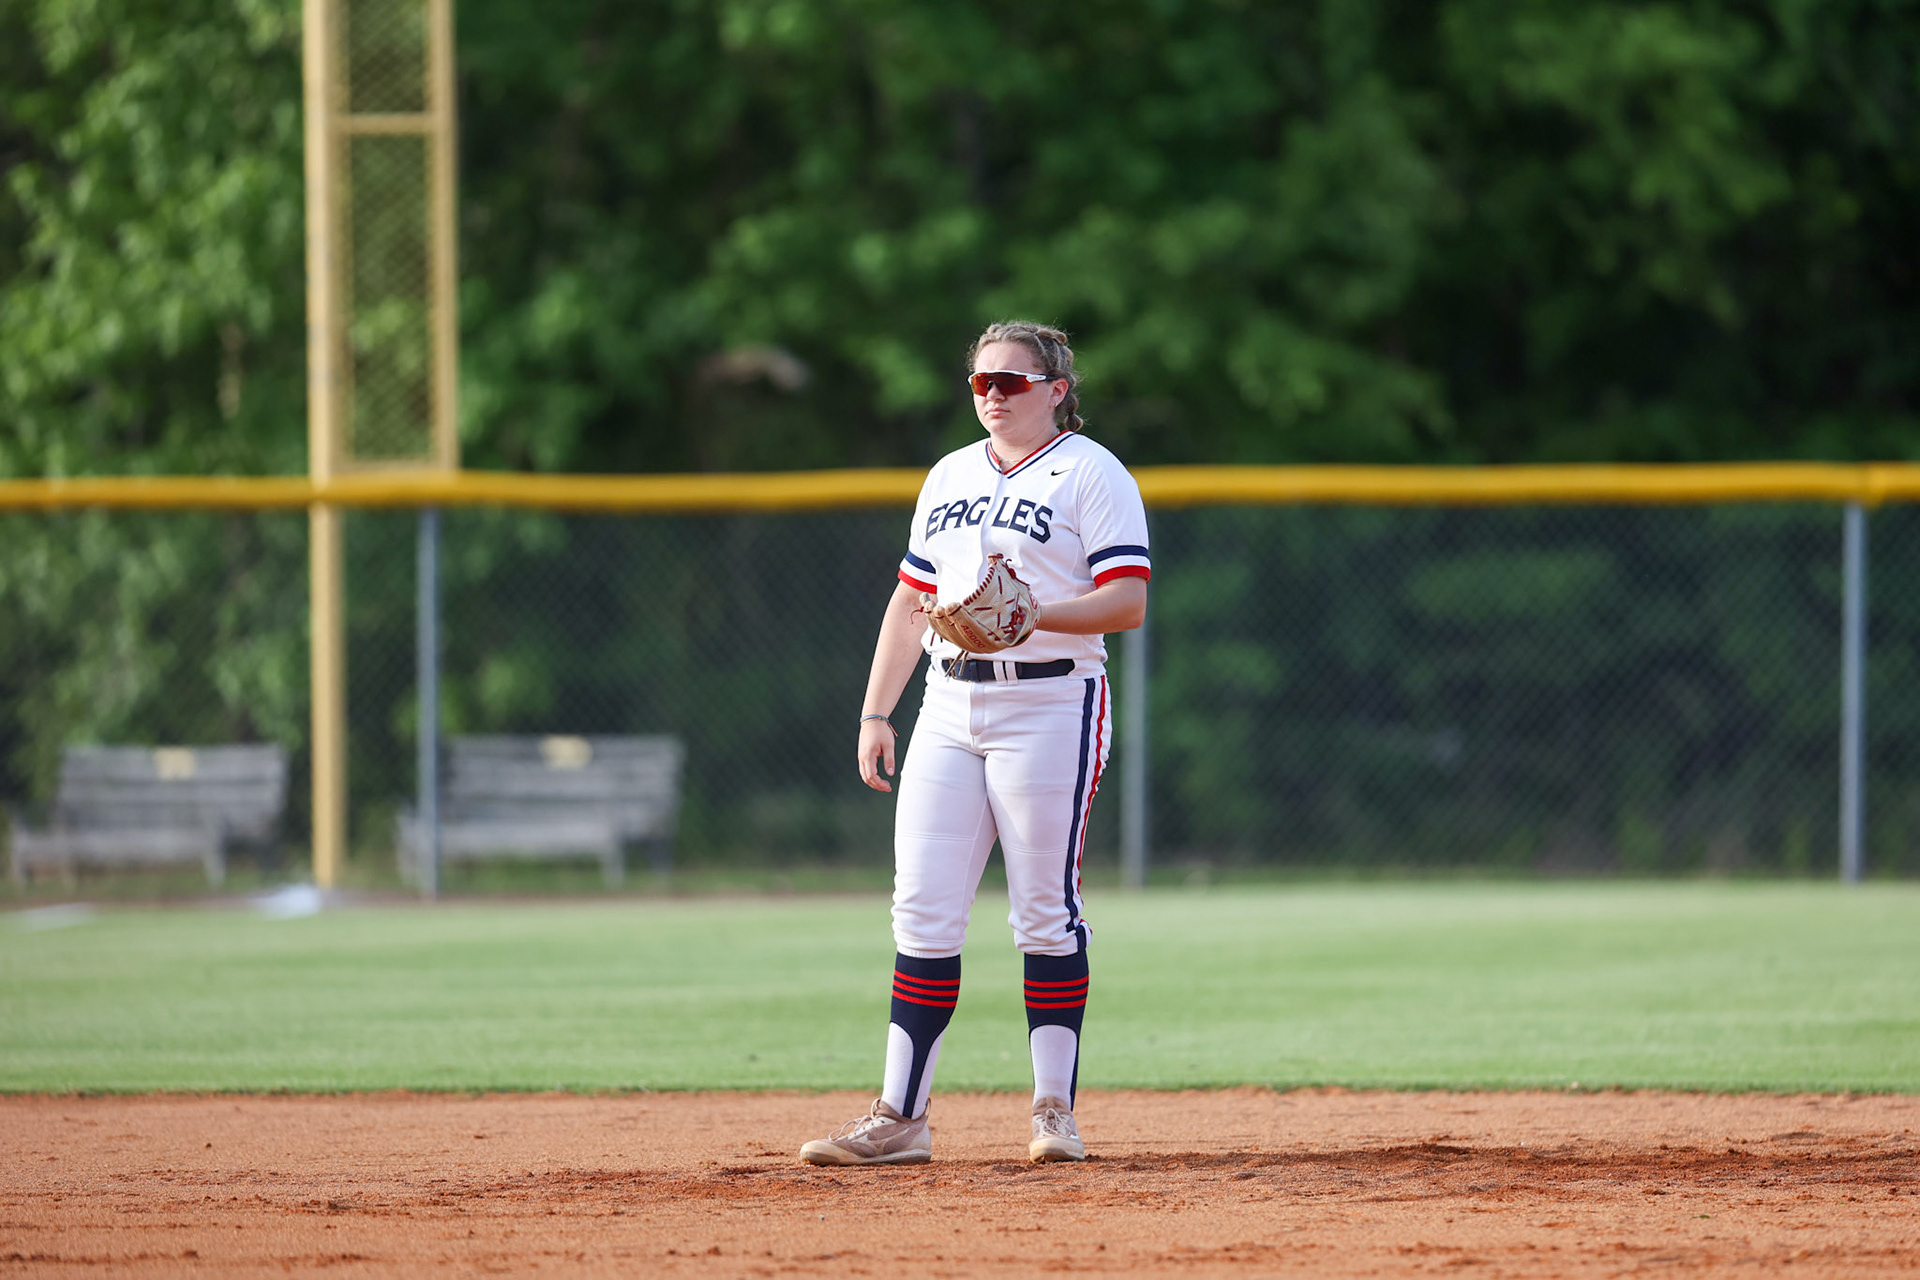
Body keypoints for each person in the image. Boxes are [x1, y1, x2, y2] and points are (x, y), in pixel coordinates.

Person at [799, 321, 1151, 1166]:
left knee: (1042, 909)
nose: (993, 393)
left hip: (1052, 701)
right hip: (947, 702)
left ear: (1056, 390)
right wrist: (876, 713)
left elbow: (1127, 600)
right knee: (920, 910)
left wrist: (1034, 614)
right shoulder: (950, 473)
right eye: (981, 381)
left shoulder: (1091, 473)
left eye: (1012, 381)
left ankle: (1053, 1111)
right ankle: (900, 1117)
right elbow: (909, 601)